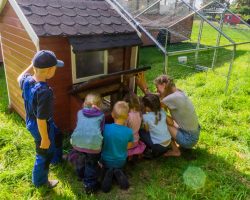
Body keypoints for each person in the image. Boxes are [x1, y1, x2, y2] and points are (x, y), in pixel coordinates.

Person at [17, 50, 64, 188]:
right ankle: (40, 182)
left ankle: (57, 160)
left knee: (57, 134)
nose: (56, 69)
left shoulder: (27, 80)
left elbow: (19, 77)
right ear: (49, 71)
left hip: (33, 121)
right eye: (55, 67)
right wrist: (44, 138)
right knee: (44, 152)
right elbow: (41, 119)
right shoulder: (45, 92)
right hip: (40, 126)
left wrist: (32, 65)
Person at [137, 73, 200, 157]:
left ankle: (175, 151)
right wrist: (144, 85)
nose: (156, 90)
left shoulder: (173, 98)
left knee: (162, 121)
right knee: (166, 119)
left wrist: (143, 86)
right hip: (192, 134)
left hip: (188, 139)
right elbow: (154, 96)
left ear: (164, 85)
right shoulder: (177, 92)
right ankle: (173, 143)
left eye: (157, 87)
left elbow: (152, 103)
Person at [70, 93, 104, 194]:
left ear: (84, 104)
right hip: (93, 146)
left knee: (81, 159)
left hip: (77, 143)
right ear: (99, 105)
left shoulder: (79, 113)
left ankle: (80, 175)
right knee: (91, 164)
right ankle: (89, 185)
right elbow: (101, 130)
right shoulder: (101, 115)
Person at [101, 101, 133, 193]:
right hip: (121, 161)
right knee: (118, 165)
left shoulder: (106, 128)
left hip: (106, 160)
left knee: (106, 166)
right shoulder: (129, 131)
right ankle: (118, 171)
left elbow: (102, 141)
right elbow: (129, 146)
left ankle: (108, 172)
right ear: (127, 117)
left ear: (112, 114)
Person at [140, 94, 172, 158]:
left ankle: (152, 151)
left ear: (148, 107)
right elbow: (170, 122)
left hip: (159, 147)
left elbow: (147, 130)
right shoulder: (162, 111)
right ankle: (158, 151)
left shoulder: (145, 117)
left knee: (141, 132)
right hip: (169, 143)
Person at [123, 92, 146, 159]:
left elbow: (123, 129)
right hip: (136, 140)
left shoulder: (127, 116)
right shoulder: (139, 113)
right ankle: (136, 152)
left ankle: (129, 155)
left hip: (128, 143)